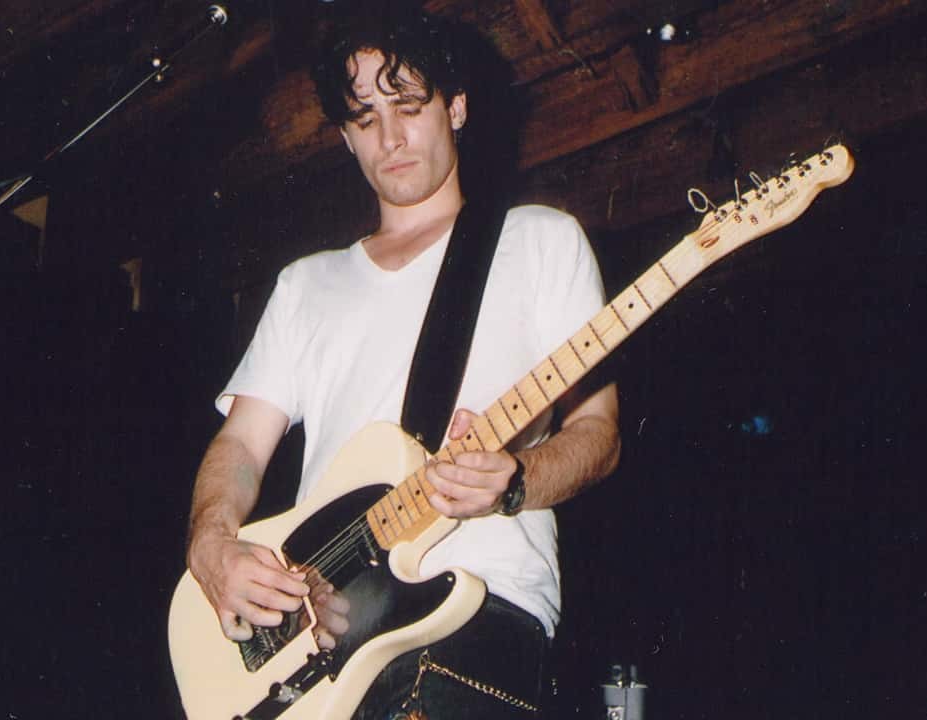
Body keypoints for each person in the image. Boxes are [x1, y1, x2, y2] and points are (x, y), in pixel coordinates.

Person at [185, 9, 620, 719]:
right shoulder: (305, 285)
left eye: (409, 107)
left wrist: (515, 480)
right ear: (345, 137)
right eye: (364, 118)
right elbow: (239, 444)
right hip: (321, 637)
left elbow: (598, 434)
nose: (389, 138)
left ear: (457, 107)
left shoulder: (541, 242)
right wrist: (211, 544)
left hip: (474, 612)